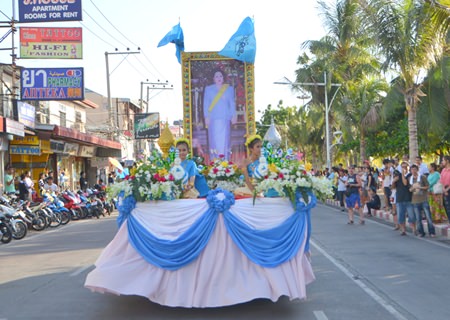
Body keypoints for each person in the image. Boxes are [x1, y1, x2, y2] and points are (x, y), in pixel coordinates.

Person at [203, 70, 237, 160]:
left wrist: (234, 115)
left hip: (225, 118)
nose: (219, 78)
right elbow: (206, 104)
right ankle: (214, 162)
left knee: (224, 141)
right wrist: (206, 116)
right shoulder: (209, 89)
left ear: (223, 78)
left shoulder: (229, 89)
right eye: (216, 76)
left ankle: (225, 162)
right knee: (214, 141)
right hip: (213, 119)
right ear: (213, 78)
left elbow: (232, 103)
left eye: (220, 76)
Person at [409, 164, 435, 237]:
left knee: (428, 217)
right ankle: (421, 232)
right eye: (412, 170)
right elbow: (409, 189)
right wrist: (413, 188)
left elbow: (427, 186)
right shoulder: (410, 179)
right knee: (418, 218)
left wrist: (420, 187)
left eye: (415, 169)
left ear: (417, 170)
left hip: (424, 199)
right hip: (415, 200)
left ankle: (432, 232)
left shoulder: (422, 177)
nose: (413, 171)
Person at [393, 162, 415, 236]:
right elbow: (393, 187)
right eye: (402, 167)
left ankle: (414, 229)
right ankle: (403, 230)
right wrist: (393, 181)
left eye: (405, 167)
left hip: (408, 198)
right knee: (401, 216)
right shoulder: (398, 176)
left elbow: (405, 183)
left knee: (411, 216)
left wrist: (402, 174)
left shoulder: (409, 175)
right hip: (400, 198)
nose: (404, 168)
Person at [440, 155, 450, 223]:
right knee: (447, 207)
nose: (442, 162)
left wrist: (447, 189)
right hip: (445, 189)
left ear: (447, 161)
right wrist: (444, 189)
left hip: (449, 188)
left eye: (443, 160)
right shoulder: (443, 170)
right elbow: (441, 181)